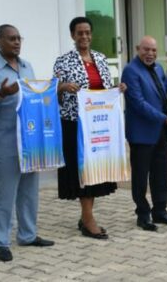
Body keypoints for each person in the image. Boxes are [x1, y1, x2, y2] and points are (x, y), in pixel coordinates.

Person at [0, 24, 54, 262]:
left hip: (30, 141)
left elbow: (34, 97)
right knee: (5, 195)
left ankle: (28, 235)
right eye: (11, 39)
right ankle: (1, 242)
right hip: (5, 143)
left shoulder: (27, 66)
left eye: (19, 38)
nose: (17, 42)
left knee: (29, 192)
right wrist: (1, 94)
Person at [54, 16, 125, 239]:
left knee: (94, 171)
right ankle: (88, 219)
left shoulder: (102, 59)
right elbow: (51, 91)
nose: (84, 36)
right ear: (72, 36)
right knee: (82, 171)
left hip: (99, 125)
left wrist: (117, 89)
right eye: (79, 33)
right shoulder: (63, 61)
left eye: (87, 32)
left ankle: (86, 216)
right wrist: (63, 87)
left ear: (91, 35)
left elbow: (103, 89)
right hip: (75, 125)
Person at [121, 36, 167, 231]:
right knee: (141, 176)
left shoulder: (158, 68)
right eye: (146, 50)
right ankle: (143, 214)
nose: (150, 54)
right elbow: (139, 104)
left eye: (154, 50)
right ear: (138, 49)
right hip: (141, 133)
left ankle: (160, 211)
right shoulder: (130, 71)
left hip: (160, 132)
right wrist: (166, 120)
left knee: (160, 174)